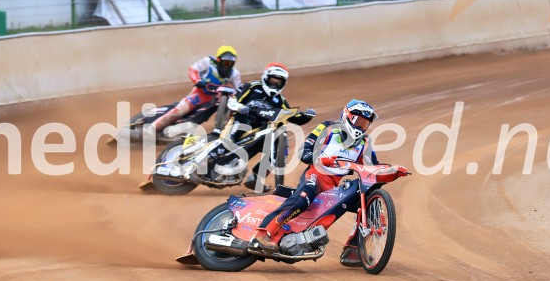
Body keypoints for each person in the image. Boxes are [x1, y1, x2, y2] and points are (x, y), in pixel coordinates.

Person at [250, 100, 379, 268]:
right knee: (302, 200)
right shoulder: (327, 128)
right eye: (357, 121)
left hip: (335, 187)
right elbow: (304, 153)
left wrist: (389, 172)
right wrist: (320, 159)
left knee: (369, 202)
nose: (361, 127)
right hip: (315, 176)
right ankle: (263, 233)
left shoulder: (365, 143)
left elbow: (372, 169)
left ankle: (353, 249)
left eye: (365, 123)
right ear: (347, 116)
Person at [225, 62, 291, 192]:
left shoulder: (281, 100)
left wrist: (305, 115)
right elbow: (232, 100)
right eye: (273, 80)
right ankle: (219, 162)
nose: (275, 84)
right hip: (241, 123)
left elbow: (288, 115)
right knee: (228, 144)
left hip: (259, 132)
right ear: (266, 77)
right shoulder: (252, 86)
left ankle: (256, 178)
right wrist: (240, 107)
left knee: (278, 147)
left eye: (279, 82)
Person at [150, 46, 242, 136]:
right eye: (225, 63)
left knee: (220, 109)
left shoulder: (234, 74)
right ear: (218, 60)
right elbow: (192, 69)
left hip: (213, 100)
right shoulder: (208, 62)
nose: (227, 66)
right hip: (198, 94)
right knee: (180, 110)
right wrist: (197, 81)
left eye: (230, 64)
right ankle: (152, 128)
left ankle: (224, 129)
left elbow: (239, 89)